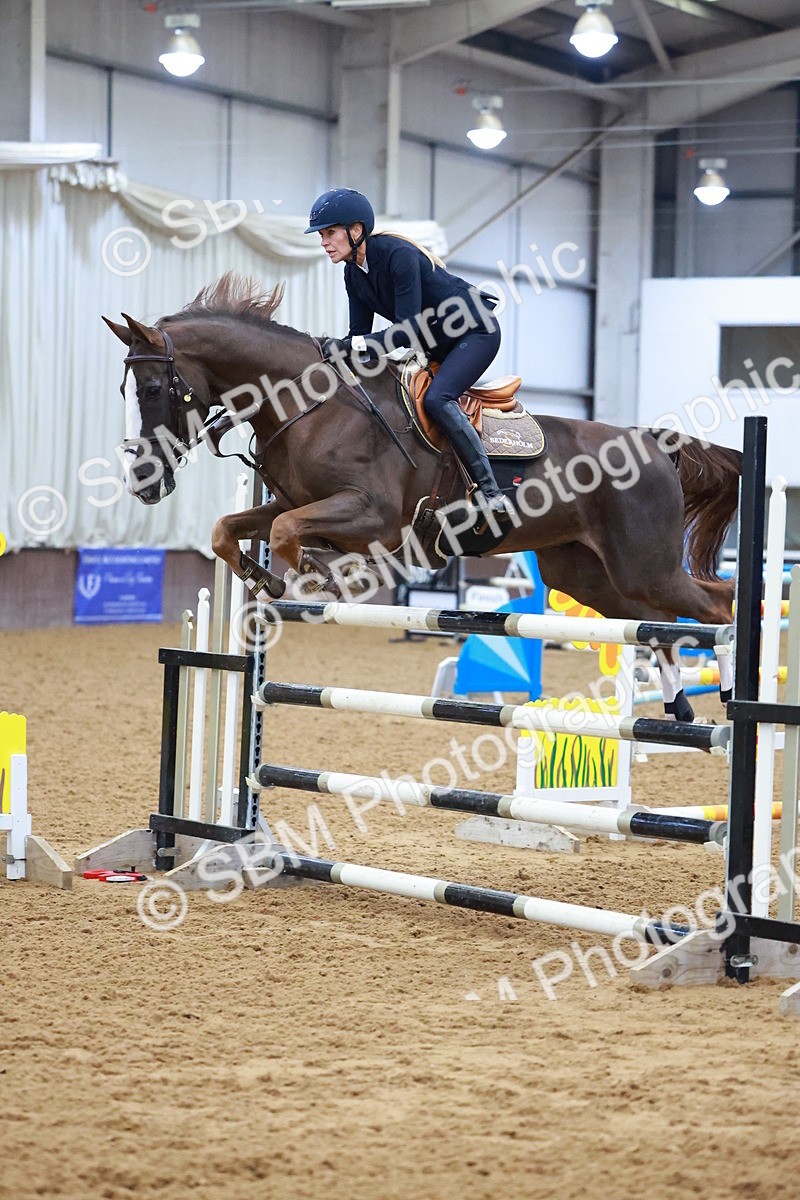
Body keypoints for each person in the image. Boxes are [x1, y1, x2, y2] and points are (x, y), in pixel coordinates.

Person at [305, 187, 513, 516]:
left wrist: (349, 347)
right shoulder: (352, 273)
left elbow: (406, 331)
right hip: (435, 345)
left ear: (355, 230)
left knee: (437, 399)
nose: (324, 242)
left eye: (330, 232)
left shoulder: (398, 255)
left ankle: (491, 492)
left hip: (476, 332)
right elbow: (358, 337)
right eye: (321, 235)